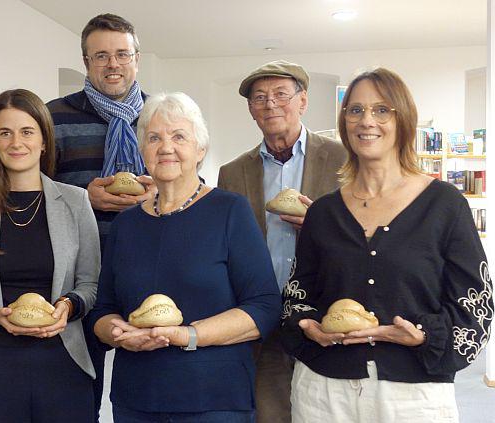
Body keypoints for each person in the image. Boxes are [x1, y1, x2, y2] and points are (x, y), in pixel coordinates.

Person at [280, 67, 493, 422]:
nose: (367, 121)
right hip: (323, 392)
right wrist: (309, 325)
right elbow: (298, 296)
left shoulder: (444, 204)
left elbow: (476, 307)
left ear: (403, 119)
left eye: (381, 110)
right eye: (355, 110)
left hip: (414, 397)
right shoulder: (323, 212)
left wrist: (422, 336)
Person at [92, 92, 282, 422]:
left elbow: (264, 308)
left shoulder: (229, 211)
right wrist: (118, 333)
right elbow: (103, 308)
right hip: (136, 399)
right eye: (154, 138)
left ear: (200, 149)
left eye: (179, 136)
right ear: (142, 151)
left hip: (214, 399)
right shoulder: (125, 225)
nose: (166, 147)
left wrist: (186, 335)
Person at [0, 89, 100, 422]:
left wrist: (68, 306)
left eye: (27, 132)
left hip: (64, 364)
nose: (16, 142)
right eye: (4, 133)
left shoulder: (76, 202)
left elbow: (90, 284)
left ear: (44, 141)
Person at [217, 60, 347, 423]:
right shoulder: (232, 172)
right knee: (269, 411)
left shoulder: (343, 159)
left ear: (302, 101)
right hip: (265, 313)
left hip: (326, 312)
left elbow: (365, 234)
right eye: (259, 98)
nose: (270, 104)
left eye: (280, 95)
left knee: (326, 410)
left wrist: (319, 227)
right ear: (250, 110)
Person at [46, 14, 155, 419]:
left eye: (122, 54)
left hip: (147, 267)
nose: (113, 64)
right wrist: (81, 196)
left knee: (147, 380)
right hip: (78, 274)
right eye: (101, 55)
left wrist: (158, 194)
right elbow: (31, 191)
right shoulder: (54, 116)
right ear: (86, 62)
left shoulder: (161, 116)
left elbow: (188, 185)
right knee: (79, 390)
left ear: (137, 59)